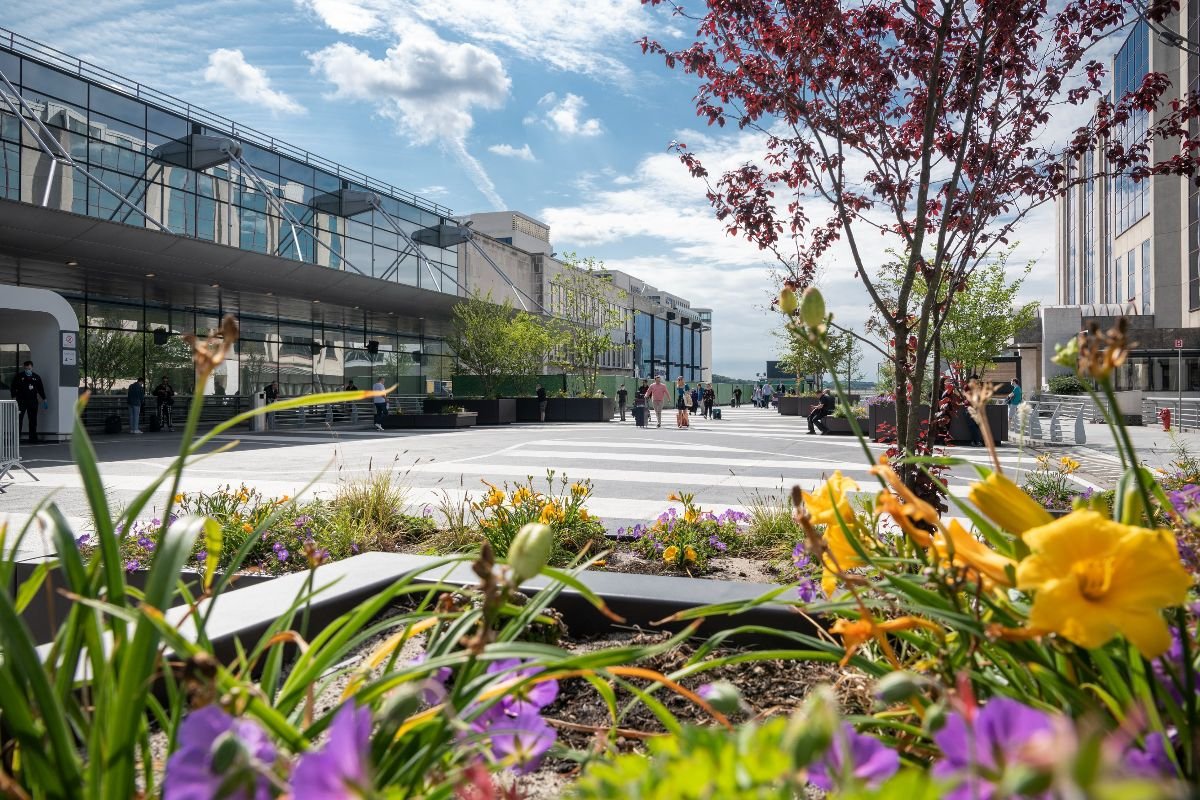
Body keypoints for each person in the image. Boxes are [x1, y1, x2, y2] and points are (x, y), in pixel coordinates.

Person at [11, 360, 47, 443]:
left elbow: (40, 389)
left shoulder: (36, 377)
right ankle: (16, 438)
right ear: (24, 368)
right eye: (26, 368)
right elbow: (13, 387)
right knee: (19, 419)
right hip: (21, 401)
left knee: (33, 420)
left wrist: (44, 399)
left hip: (33, 401)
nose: (28, 370)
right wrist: (13, 397)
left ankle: (33, 438)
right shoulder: (19, 376)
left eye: (29, 368)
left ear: (32, 368)